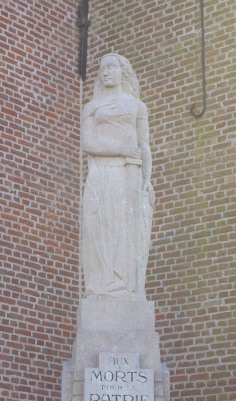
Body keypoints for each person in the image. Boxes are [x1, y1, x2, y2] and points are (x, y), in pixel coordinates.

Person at [80, 53, 154, 298]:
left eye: (111, 67)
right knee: (97, 224)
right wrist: (120, 150)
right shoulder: (91, 107)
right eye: (102, 68)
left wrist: (147, 179)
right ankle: (101, 283)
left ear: (124, 71)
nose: (105, 72)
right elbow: (88, 143)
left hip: (129, 175)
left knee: (124, 225)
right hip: (101, 173)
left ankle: (123, 284)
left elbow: (144, 145)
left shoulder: (137, 106)